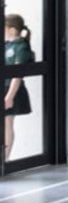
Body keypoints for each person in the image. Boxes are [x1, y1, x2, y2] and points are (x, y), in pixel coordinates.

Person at [2, 14, 33, 163]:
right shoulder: (6, 45)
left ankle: (5, 158)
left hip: (11, 89)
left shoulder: (21, 46)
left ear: (12, 30)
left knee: (7, 122)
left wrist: (9, 96)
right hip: (3, 86)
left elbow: (17, 75)